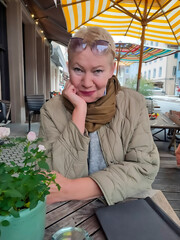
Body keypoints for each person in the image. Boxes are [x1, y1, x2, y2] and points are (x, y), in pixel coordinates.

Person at [39, 26, 160, 205]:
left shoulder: (134, 104)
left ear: (112, 69)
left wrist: (72, 189)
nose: (87, 83)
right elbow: (51, 175)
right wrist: (79, 113)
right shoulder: (51, 111)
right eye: (78, 70)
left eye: (97, 71)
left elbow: (144, 167)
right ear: (68, 67)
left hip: (123, 205)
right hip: (66, 212)